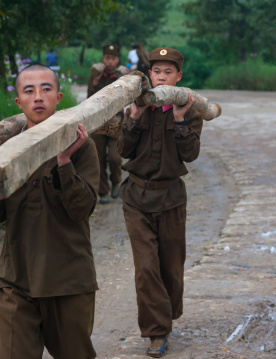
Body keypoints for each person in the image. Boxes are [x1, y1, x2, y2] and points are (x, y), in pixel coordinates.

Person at [0, 64, 100, 359]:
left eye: (46, 89)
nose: (38, 96)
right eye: (29, 91)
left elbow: (82, 209)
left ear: (59, 97)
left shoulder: (81, 146)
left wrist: (64, 160)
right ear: (18, 102)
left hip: (67, 280)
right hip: (17, 279)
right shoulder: (7, 150)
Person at [117, 47, 203, 357]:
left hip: (171, 198)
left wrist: (180, 121)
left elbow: (190, 155)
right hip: (136, 197)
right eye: (157, 71)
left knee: (171, 268)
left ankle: (167, 313)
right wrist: (133, 117)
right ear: (149, 75)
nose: (162, 76)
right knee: (146, 268)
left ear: (178, 77)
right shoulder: (138, 106)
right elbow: (123, 152)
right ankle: (156, 332)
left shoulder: (190, 110)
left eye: (168, 71)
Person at [87, 44, 124, 204]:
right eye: (107, 58)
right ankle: (103, 192)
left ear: (117, 60)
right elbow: (89, 97)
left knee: (115, 158)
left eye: (113, 58)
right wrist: (95, 81)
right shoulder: (97, 74)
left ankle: (116, 181)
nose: (110, 61)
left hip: (116, 122)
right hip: (98, 123)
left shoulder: (121, 76)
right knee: (99, 158)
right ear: (103, 59)